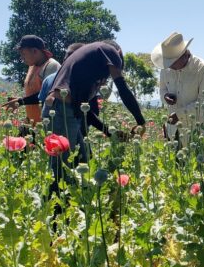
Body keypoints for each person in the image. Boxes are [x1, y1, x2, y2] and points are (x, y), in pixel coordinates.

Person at [46, 40, 145, 196]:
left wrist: (109, 131)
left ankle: (80, 204)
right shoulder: (108, 50)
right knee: (61, 170)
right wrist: (140, 121)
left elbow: (84, 110)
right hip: (61, 111)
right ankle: (57, 213)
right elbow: (122, 86)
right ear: (118, 54)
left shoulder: (88, 64)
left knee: (83, 159)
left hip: (67, 110)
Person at [151, 32, 204, 147]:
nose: (170, 66)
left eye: (173, 63)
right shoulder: (166, 69)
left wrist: (178, 116)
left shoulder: (202, 69)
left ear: (185, 54)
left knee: (202, 163)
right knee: (177, 164)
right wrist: (165, 97)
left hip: (200, 131)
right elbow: (162, 90)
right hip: (174, 132)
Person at [3, 35, 61, 124]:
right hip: (31, 123)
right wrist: (19, 100)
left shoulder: (52, 66)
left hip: (48, 123)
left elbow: (49, 95)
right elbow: (34, 94)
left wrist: (21, 101)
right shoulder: (32, 67)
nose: (21, 58)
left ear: (34, 51)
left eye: (23, 53)